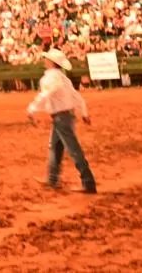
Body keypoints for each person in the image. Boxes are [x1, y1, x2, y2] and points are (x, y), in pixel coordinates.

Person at [27, 48, 97, 193]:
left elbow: (46, 93)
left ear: (51, 62)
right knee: (56, 147)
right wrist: (84, 113)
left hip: (60, 117)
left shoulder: (51, 78)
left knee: (73, 149)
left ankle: (88, 182)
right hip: (66, 116)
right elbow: (75, 96)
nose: (45, 61)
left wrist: (32, 108)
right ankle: (53, 179)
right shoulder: (63, 78)